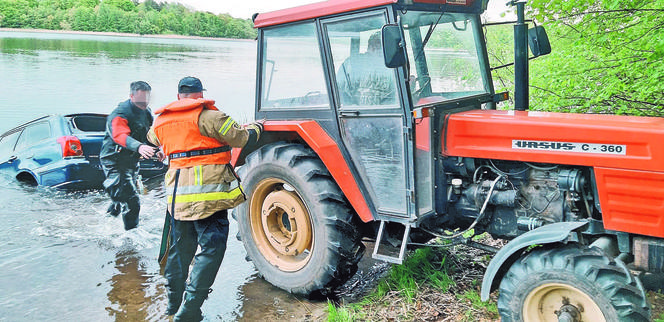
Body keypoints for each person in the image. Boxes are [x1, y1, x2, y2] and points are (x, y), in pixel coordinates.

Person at [147, 76, 262, 321]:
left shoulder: (160, 122)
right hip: (209, 198)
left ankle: (172, 304)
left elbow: (153, 140)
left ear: (179, 96)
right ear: (200, 95)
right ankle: (189, 309)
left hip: (177, 199)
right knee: (212, 249)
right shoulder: (212, 117)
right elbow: (240, 138)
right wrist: (256, 127)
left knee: (180, 250)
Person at [101, 81, 162, 230]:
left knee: (121, 198)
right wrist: (139, 147)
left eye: (146, 100)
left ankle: (105, 226)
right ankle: (131, 237)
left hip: (131, 162)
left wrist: (157, 149)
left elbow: (148, 134)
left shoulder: (147, 113)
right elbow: (119, 135)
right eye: (140, 101)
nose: (144, 104)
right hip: (114, 162)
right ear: (131, 96)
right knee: (132, 201)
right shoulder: (120, 114)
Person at [336, 31, 397, 106]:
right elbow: (338, 89)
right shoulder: (352, 63)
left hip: (387, 112)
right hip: (358, 113)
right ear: (371, 47)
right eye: (378, 47)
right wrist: (350, 107)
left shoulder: (392, 66)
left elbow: (395, 95)